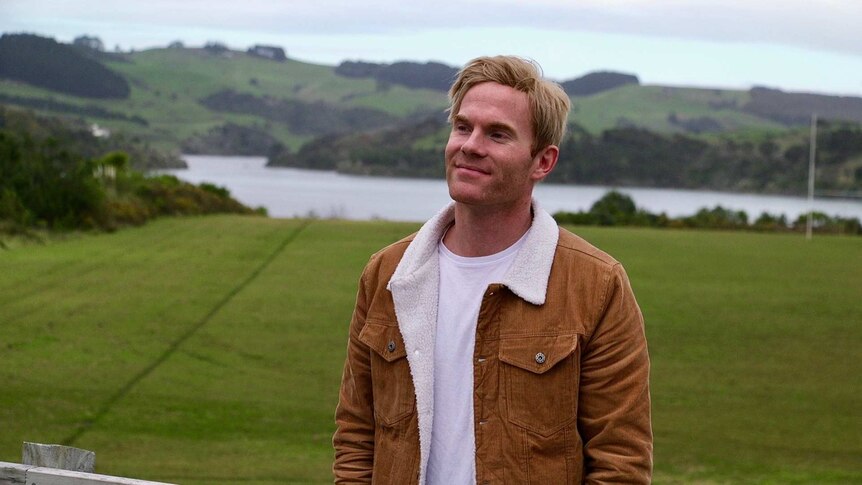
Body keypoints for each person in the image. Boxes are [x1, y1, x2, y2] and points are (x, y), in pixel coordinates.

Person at [333, 55, 652, 484]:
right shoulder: (388, 274)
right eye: (463, 127)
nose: (470, 145)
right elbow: (357, 434)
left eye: (498, 134)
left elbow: (621, 462)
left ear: (542, 161)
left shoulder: (597, 285)